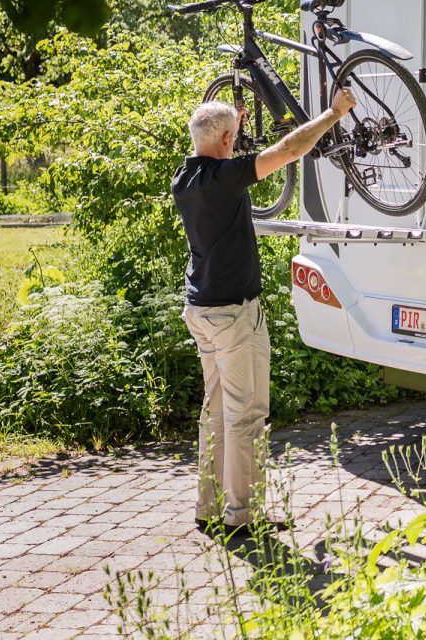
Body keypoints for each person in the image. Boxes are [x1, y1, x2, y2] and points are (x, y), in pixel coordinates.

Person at [171, 87, 356, 534]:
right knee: (246, 415)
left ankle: (209, 507)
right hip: (233, 315)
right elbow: (289, 149)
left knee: (216, 412)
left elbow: (216, 144)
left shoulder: (184, 178)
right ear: (226, 140)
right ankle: (243, 516)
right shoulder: (226, 178)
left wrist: (230, 124)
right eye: (232, 136)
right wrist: (333, 113)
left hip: (201, 310)